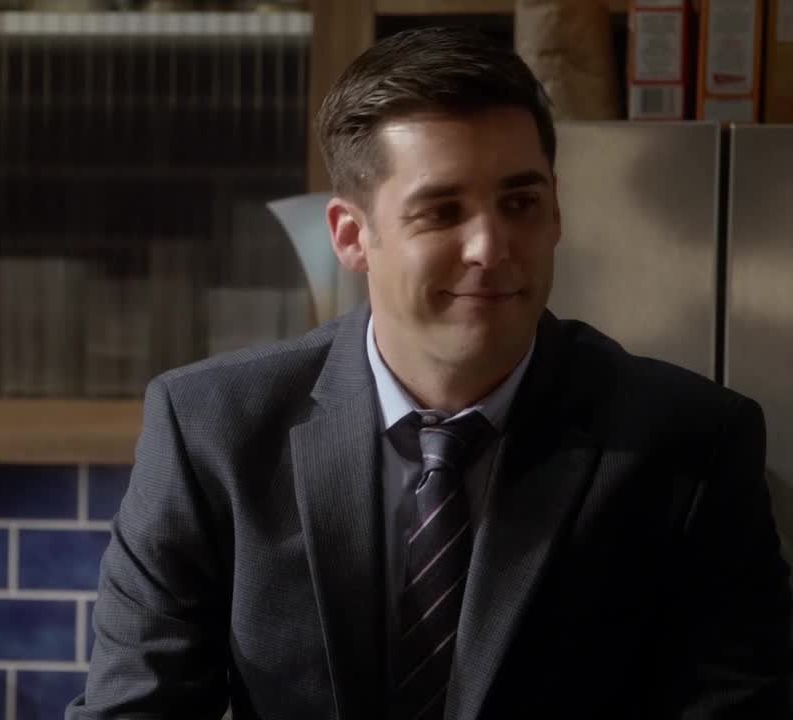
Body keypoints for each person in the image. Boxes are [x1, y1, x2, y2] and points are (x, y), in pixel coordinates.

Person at [66, 26, 792, 719]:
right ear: (352, 236)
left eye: (520, 203)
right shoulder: (211, 431)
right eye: (441, 211)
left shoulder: (689, 445)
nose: (490, 247)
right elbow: (137, 708)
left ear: (556, 213)